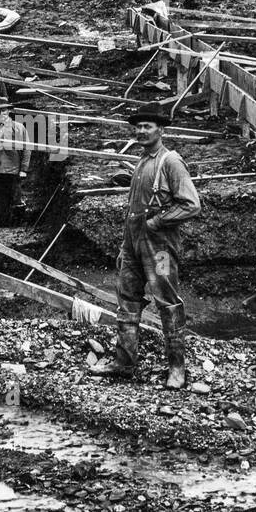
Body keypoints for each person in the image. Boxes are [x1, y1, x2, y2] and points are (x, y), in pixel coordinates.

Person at [90, 108, 201, 390]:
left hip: (160, 249)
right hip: (134, 246)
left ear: (160, 130)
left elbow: (191, 204)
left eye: (147, 126)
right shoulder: (140, 163)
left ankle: (177, 369)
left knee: (167, 300)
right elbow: (132, 210)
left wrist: (158, 221)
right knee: (127, 300)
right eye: (138, 126)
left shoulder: (170, 161)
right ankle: (125, 362)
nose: (141, 131)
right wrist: (125, 248)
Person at [0, 101, 30, 227]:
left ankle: (17, 224)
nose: (2, 114)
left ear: (9, 111)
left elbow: (27, 149)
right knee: (0, 198)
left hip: (13, 169)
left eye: (4, 111)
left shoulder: (18, 128)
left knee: (15, 197)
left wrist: (23, 169)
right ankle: (2, 222)